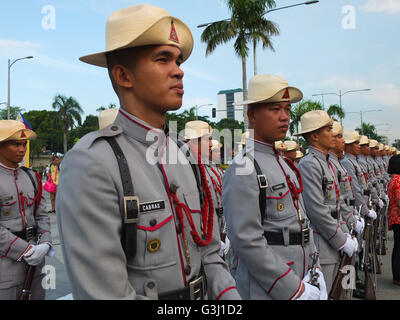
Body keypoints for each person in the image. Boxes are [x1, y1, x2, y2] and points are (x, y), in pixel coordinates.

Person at [56, 4, 240, 300]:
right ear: (124, 76)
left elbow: (209, 254)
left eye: (178, 60)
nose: (179, 71)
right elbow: (106, 294)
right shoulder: (92, 162)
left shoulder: (185, 156)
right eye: (163, 59)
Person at [223, 74, 327, 300]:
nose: (285, 117)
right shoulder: (244, 166)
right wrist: (294, 289)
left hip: (300, 272)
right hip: (267, 288)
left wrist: (314, 266)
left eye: (287, 110)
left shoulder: (284, 164)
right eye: (274, 109)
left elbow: (301, 223)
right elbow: (247, 241)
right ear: (252, 115)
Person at [296, 110, 358, 293]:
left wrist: (347, 233)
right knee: (330, 292)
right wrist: (341, 240)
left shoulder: (327, 162)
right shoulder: (309, 164)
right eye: (329, 130)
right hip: (323, 244)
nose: (333, 134)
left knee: (342, 290)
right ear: (315, 136)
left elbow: (336, 205)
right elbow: (317, 211)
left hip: (334, 237)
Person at [0, 120, 54, 299]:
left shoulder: (31, 177)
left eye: (24, 144)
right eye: (15, 144)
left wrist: (45, 242)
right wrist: (25, 250)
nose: (22, 149)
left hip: (37, 263)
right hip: (6, 266)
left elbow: (41, 215)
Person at [387, 155, 400, 285]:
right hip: (398, 217)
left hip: (394, 217)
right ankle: (398, 275)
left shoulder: (393, 179)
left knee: (397, 247)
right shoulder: (398, 180)